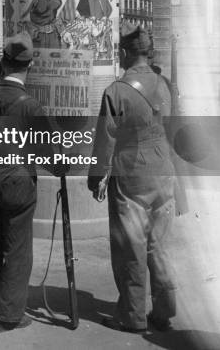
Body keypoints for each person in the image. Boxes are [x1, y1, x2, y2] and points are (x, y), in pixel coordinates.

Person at [87, 25, 176, 333]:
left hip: (131, 174)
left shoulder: (116, 91)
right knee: (158, 244)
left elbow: (106, 139)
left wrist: (95, 177)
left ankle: (132, 315)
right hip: (164, 172)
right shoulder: (165, 84)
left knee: (131, 247)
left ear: (124, 53)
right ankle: (164, 309)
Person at [0, 32, 60, 332]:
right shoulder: (30, 106)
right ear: (29, 67)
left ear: (3, 65)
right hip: (18, 185)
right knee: (18, 249)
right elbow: (48, 153)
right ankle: (8, 315)